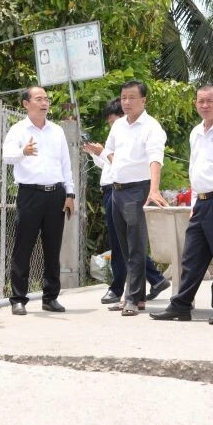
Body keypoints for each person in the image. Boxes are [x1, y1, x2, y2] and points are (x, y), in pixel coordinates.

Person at [151, 85, 213, 324]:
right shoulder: (196, 132)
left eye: (209, 101)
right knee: (191, 257)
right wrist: (194, 201)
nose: (204, 105)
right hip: (202, 201)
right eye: (200, 101)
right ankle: (181, 305)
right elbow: (195, 169)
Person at [83, 98, 170, 307]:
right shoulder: (119, 130)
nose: (127, 102)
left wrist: (154, 189)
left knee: (134, 245)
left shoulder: (149, 127)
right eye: (124, 98)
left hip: (133, 189)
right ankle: (136, 294)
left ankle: (129, 294)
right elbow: (111, 160)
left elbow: (152, 158)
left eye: (131, 98)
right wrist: (99, 152)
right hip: (114, 190)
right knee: (123, 245)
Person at [1, 86, 75, 315]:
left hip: (56, 194)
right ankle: (18, 299)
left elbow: (66, 164)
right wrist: (23, 151)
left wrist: (70, 194)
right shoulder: (18, 130)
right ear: (26, 104)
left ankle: (50, 297)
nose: (44, 103)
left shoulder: (57, 131)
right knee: (24, 246)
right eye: (39, 99)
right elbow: (6, 157)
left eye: (46, 99)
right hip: (30, 193)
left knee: (53, 247)